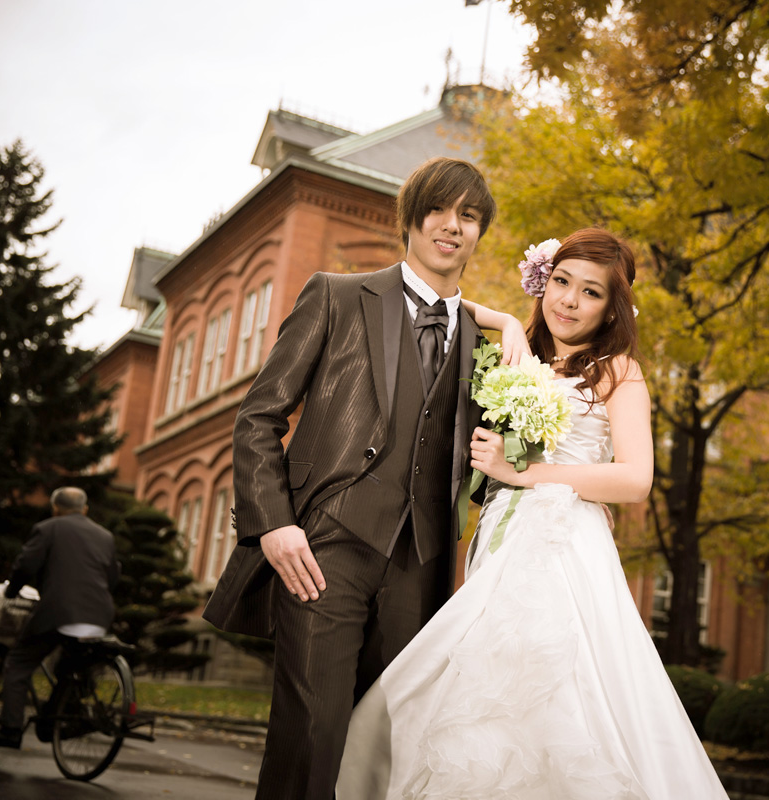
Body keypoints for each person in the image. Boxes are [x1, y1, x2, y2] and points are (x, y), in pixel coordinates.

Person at [336, 227, 730, 799]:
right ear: (543, 281)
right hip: (502, 533)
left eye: (591, 293)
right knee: (479, 683)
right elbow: (439, 299)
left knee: (554, 689)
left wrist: (525, 474)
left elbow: (635, 479)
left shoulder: (619, 372)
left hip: (563, 544)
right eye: (561, 282)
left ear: (612, 307)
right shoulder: (516, 356)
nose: (569, 300)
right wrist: (509, 321)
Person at [202, 156, 528, 800]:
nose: (451, 226)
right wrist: (274, 523)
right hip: (325, 551)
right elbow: (257, 417)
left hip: (422, 565)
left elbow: (492, 464)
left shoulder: (486, 343)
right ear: (410, 218)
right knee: (313, 734)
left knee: (383, 748)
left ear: (480, 232)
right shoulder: (336, 295)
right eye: (438, 209)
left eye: (468, 215)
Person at [0, 486, 120, 749]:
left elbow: (26, 565)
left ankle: (10, 729)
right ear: (85, 510)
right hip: (99, 615)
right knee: (70, 668)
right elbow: (113, 578)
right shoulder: (105, 536)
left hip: (59, 611)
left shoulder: (48, 529)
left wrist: (11, 592)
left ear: (55, 508)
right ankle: (54, 720)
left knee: (18, 663)